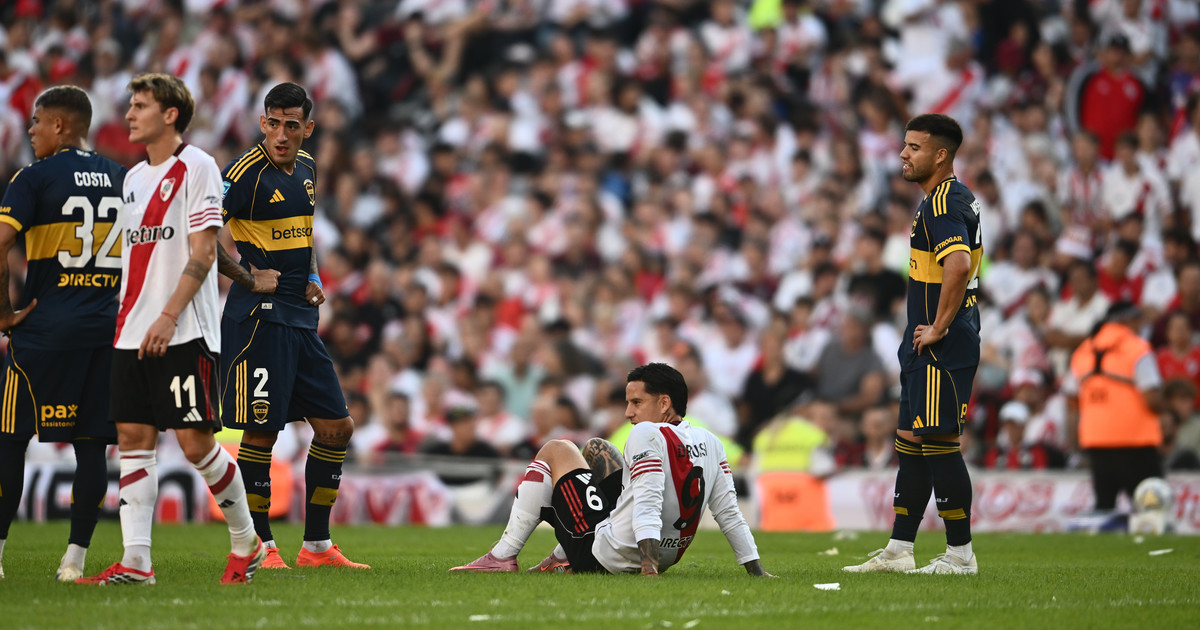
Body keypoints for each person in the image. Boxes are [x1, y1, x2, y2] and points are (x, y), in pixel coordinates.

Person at [78, 73, 264, 585]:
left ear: (170, 114)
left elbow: (204, 252)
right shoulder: (133, 179)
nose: (129, 114)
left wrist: (169, 314)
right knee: (132, 438)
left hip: (183, 330)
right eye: (130, 105)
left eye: (140, 105)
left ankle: (246, 540)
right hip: (131, 330)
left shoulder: (198, 166)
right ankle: (136, 561)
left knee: (195, 444)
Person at [216, 82, 368, 570]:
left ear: (308, 128)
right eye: (273, 123)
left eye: (291, 125)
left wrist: (315, 276)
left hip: (301, 319)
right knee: (262, 434)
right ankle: (260, 546)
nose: (281, 134)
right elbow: (198, 234)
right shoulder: (242, 173)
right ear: (263, 122)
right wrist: (247, 276)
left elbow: (303, 235)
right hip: (258, 320)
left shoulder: (307, 169)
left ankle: (317, 547)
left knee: (337, 428)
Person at [450, 363, 771, 578]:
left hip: (606, 555)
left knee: (556, 449)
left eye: (637, 402)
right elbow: (728, 512)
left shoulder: (646, 433)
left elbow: (647, 503)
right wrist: (756, 570)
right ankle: (561, 557)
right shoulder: (711, 441)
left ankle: (502, 557)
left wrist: (648, 569)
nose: (628, 412)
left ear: (664, 403)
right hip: (663, 554)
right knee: (597, 448)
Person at [844, 113, 982, 575]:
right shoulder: (942, 199)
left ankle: (960, 555)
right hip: (922, 340)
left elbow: (958, 265)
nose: (903, 154)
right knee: (911, 443)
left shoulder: (943, 203)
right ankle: (900, 549)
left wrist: (939, 326)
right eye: (905, 145)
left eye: (914, 147)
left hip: (941, 342)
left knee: (940, 443)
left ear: (941, 155)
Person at [0, 86, 127, 582]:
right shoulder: (122, 177)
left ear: (59, 125)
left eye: (36, 121)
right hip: (104, 333)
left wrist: (4, 312)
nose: (30, 130)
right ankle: (74, 561)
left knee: (10, 440)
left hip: (44, 333)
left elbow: (1, 241)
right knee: (92, 446)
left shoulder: (33, 177)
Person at [1063, 302, 1164, 514]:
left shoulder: (1083, 351)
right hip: (1136, 442)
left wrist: (1074, 443)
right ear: (1128, 320)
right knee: (1152, 508)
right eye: (1138, 320)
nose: (1140, 325)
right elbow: (1153, 399)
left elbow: (1071, 401)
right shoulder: (1137, 349)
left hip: (1097, 442)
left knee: (1104, 507)